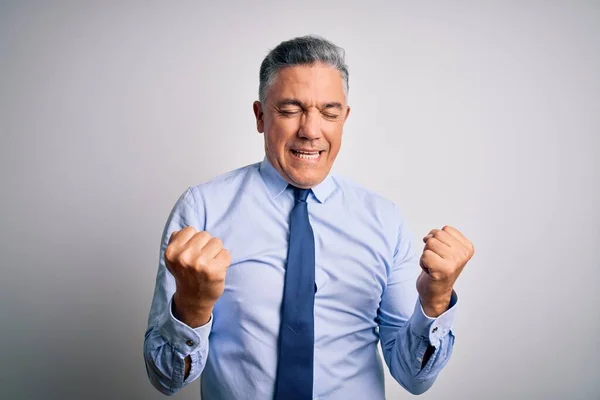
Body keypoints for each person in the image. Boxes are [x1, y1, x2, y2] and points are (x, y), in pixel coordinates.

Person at [143, 35, 474, 400]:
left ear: (344, 119)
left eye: (329, 113)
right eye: (289, 110)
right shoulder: (202, 209)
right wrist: (191, 306)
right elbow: (165, 379)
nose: (311, 131)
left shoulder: (384, 220)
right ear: (259, 115)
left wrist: (436, 301)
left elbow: (414, 379)